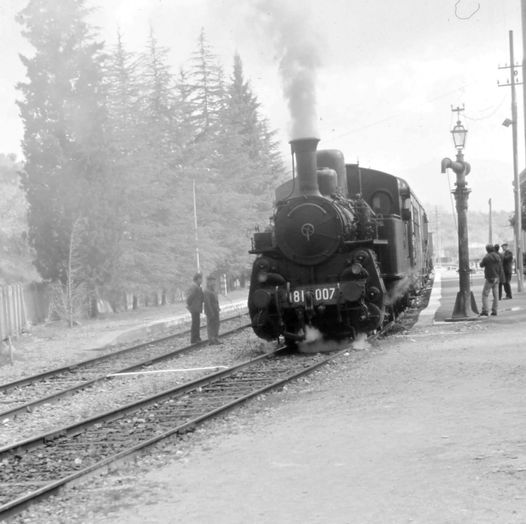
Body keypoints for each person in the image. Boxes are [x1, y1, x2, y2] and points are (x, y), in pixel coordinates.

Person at [479, 244, 501, 316]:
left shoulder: (487, 257)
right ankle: (494, 311)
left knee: (485, 294)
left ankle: (485, 311)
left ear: (487, 250)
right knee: (496, 295)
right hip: (497, 277)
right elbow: (500, 267)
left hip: (490, 278)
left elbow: (481, 265)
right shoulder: (497, 256)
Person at [186, 272, 204, 343]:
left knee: (196, 323)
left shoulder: (197, 286)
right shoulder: (195, 287)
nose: (202, 280)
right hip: (195, 308)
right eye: (200, 279)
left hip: (196, 307)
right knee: (195, 323)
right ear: (197, 279)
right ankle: (194, 339)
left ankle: (197, 338)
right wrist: (190, 305)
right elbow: (191, 296)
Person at [203, 275, 220, 345]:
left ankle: (215, 338)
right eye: (212, 282)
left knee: (216, 324)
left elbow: (216, 300)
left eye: (214, 281)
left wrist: (218, 307)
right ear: (208, 282)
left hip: (215, 310)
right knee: (211, 325)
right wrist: (211, 312)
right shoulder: (206, 291)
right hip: (210, 311)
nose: (214, 283)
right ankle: (211, 340)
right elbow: (208, 303)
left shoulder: (213, 290)